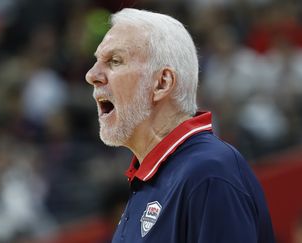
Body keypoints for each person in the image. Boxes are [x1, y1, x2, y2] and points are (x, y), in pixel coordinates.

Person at [85, 8, 275, 243]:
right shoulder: (153, 180)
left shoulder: (208, 173)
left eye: (115, 61)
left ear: (162, 83)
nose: (91, 75)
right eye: (97, 61)